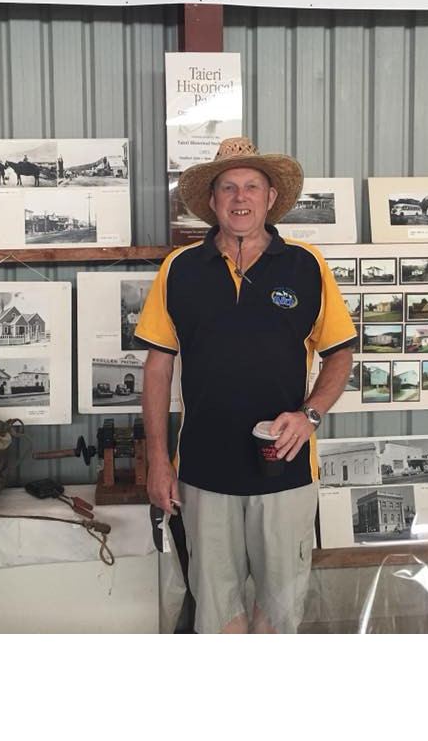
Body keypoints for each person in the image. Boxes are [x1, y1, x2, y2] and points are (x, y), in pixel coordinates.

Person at [134, 137, 357, 634]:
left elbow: (339, 354)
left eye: (252, 186)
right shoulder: (180, 269)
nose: (241, 197)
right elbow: (157, 367)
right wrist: (158, 460)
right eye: (228, 187)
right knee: (216, 610)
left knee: (279, 610)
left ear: (270, 196)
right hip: (203, 471)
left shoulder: (307, 266)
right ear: (212, 202)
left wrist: (311, 415)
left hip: (285, 466)